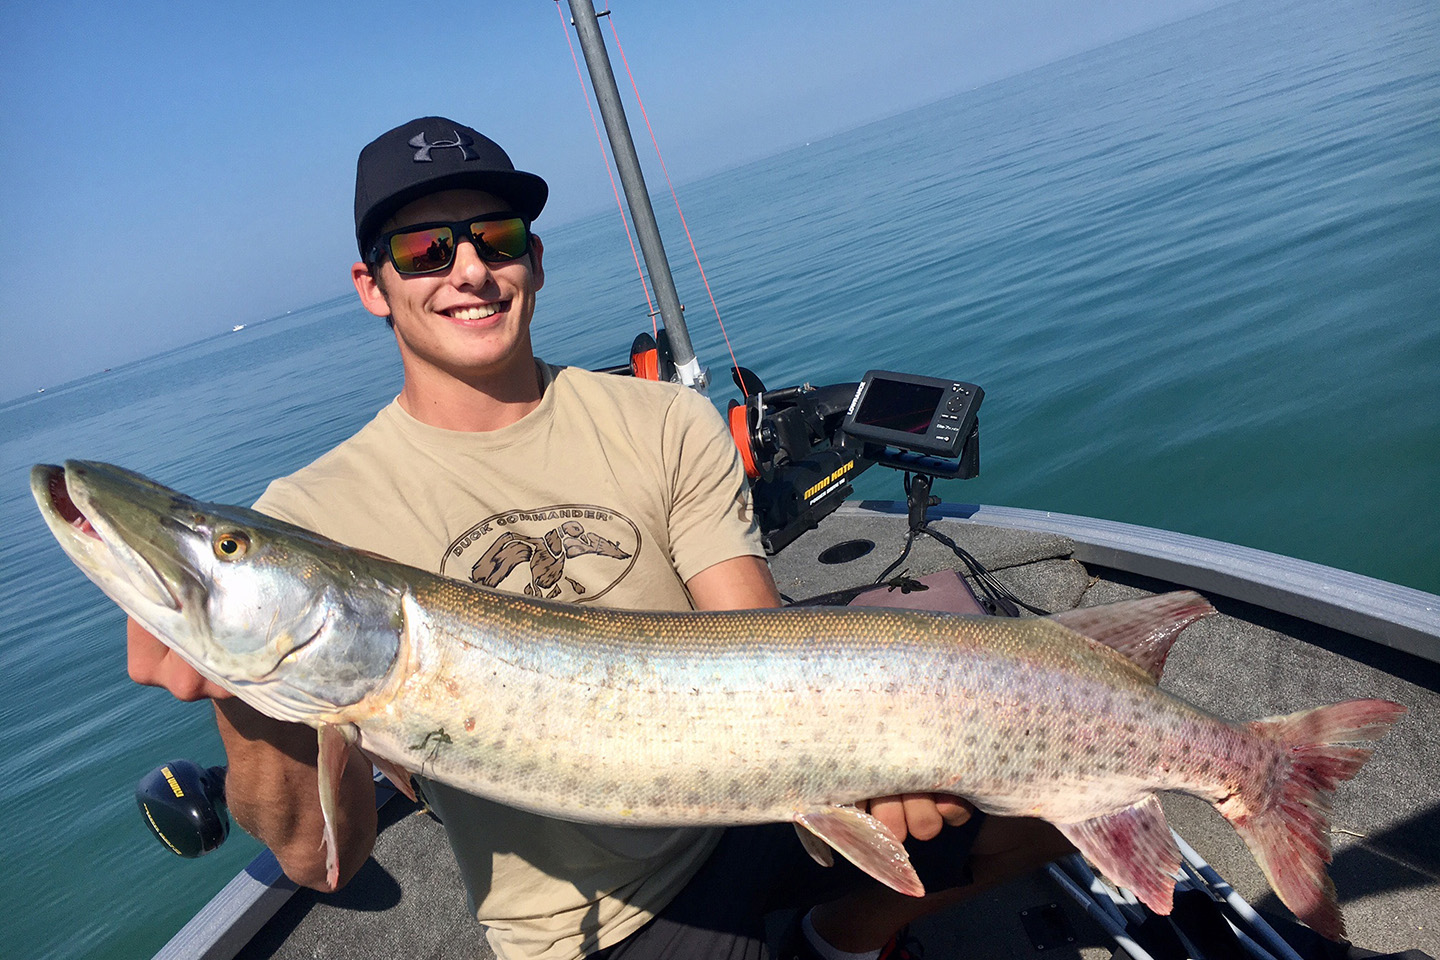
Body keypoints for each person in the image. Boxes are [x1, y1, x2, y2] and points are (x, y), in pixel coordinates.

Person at [128, 117, 1068, 960]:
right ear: (371, 285)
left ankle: (845, 934)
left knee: (1060, 788)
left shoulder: (664, 419)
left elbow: (754, 637)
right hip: (598, 925)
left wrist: (884, 758)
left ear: (532, 258)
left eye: (492, 238)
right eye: (423, 248)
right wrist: (243, 694)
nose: (467, 271)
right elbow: (319, 862)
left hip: (750, 798)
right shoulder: (309, 515)